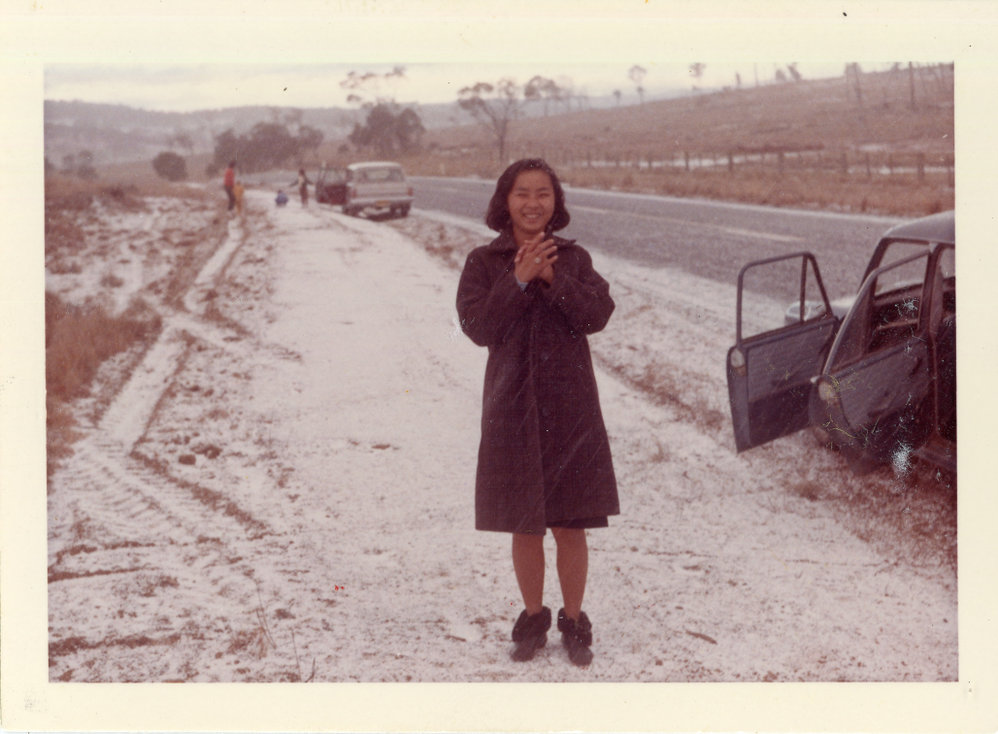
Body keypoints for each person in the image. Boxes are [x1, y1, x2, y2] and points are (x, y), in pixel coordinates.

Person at [456, 158, 619, 667]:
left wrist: (552, 277)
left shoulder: (574, 258)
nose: (533, 203)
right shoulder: (483, 262)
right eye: (522, 193)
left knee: (571, 523)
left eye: (543, 193)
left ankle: (574, 621)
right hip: (511, 408)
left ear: (556, 202)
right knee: (524, 523)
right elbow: (478, 327)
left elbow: (598, 315)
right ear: (505, 202)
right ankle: (532, 620)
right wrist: (519, 280)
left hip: (571, 410)